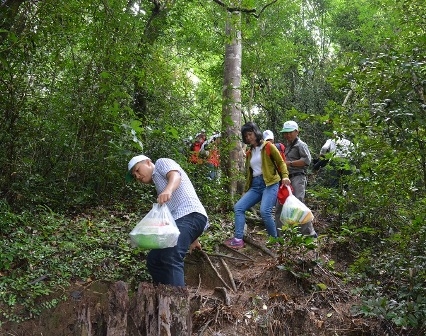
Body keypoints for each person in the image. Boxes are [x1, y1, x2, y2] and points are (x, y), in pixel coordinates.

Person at [126, 154, 209, 287]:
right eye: (134, 175)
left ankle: (177, 302)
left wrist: (168, 190)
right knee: (154, 259)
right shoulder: (159, 184)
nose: (137, 176)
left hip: (191, 214)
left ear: (148, 162)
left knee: (171, 254)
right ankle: (164, 294)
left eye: (137, 170)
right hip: (183, 221)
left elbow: (176, 176)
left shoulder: (161, 163)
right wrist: (193, 239)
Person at [224, 122, 291, 249]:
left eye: (250, 134)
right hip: (256, 186)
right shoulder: (249, 153)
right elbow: (250, 172)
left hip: (270, 183)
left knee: (265, 211)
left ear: (256, 132)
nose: (249, 137)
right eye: (246, 136)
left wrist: (285, 176)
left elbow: (281, 162)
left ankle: (275, 242)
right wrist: (246, 189)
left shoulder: (268, 146)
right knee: (239, 207)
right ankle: (238, 239)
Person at [275, 120, 317, 237]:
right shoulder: (288, 146)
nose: (287, 135)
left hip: (298, 178)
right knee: (280, 204)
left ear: (296, 132)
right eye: (285, 133)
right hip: (286, 179)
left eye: (290, 132)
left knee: (299, 204)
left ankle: (309, 233)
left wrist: (290, 163)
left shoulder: (301, 145)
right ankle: (279, 234)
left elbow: (307, 161)